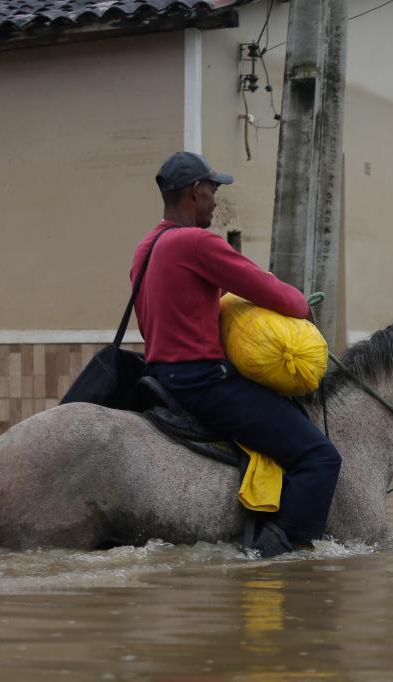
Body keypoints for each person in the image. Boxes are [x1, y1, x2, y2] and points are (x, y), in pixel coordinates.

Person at [133, 151, 341, 557]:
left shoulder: (146, 247)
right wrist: (302, 305)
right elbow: (261, 286)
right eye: (214, 191)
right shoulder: (196, 243)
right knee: (320, 457)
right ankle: (276, 556)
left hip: (158, 376)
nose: (216, 201)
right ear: (196, 191)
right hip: (203, 382)